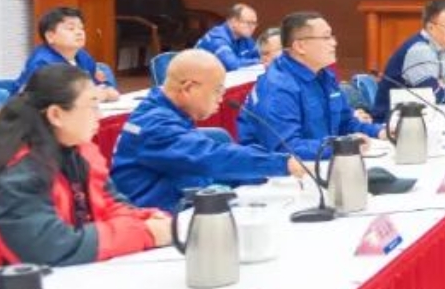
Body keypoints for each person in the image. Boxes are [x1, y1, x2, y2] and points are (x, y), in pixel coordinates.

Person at [0, 65, 172, 289]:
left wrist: (147, 220)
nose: (99, 115)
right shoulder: (16, 172)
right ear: (56, 115)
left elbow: (109, 202)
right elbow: (50, 251)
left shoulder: (78, 151)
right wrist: (143, 233)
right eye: (91, 106)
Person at [110, 51, 305, 213]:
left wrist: (260, 176)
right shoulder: (154, 124)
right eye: (217, 90)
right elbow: (210, 157)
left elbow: (198, 171)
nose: (221, 98)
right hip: (156, 223)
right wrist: (279, 163)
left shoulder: (170, 113)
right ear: (188, 88)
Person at [238, 12, 382, 161]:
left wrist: (381, 131)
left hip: (319, 162)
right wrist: (340, 146)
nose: (334, 43)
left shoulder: (324, 75)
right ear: (300, 46)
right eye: (326, 37)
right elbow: (285, 148)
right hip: (275, 172)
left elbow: (346, 123)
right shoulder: (277, 87)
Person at [372, 0, 445, 119]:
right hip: (392, 120)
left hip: (424, 114)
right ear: (431, 27)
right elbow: (435, 95)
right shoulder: (420, 51)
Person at [16, 7, 119, 102]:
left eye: (81, 28)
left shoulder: (82, 55)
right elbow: (51, 100)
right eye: (71, 29)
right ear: (50, 36)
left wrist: (105, 90)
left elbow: (98, 86)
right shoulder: (42, 64)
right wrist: (96, 95)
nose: (79, 33)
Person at [196, 3, 263, 71]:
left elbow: (261, 55)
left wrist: (262, 59)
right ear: (233, 21)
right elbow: (233, 65)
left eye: (254, 23)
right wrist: (259, 61)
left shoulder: (245, 37)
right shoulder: (218, 38)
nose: (252, 27)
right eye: (248, 23)